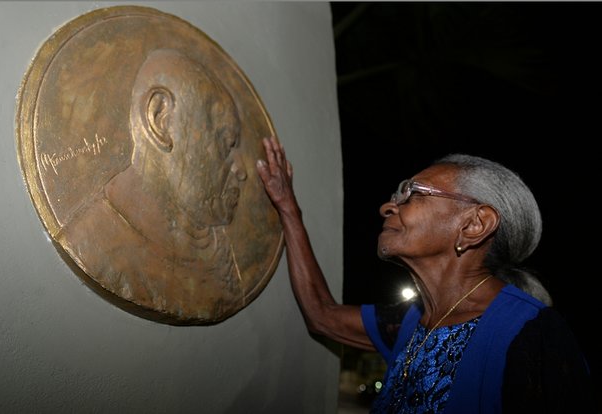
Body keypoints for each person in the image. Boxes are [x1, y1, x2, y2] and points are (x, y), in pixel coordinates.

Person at [256, 136, 596, 413]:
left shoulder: (534, 336)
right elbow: (323, 316)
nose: (388, 207)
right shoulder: (411, 321)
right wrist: (288, 208)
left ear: (474, 225)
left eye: (412, 193)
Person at [61, 49, 247, 324]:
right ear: (160, 119)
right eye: (224, 142)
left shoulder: (219, 254)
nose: (241, 171)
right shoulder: (97, 246)